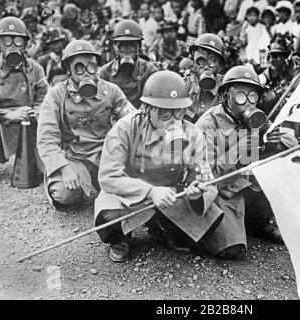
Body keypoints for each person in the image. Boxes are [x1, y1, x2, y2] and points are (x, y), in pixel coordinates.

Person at [94, 70, 223, 262]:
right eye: (163, 112)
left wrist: (196, 192)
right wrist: (150, 191)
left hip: (172, 195)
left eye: (178, 111)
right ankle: (121, 238)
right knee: (108, 220)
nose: (172, 118)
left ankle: (161, 226)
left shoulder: (193, 134)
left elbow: (203, 177)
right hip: (131, 195)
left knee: (205, 229)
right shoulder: (125, 128)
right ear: (148, 108)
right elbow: (108, 176)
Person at [195, 65, 298, 259]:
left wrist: (275, 144)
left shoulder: (257, 119)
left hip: (249, 187)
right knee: (231, 251)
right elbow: (206, 178)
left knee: (280, 167)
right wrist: (239, 151)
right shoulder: (206, 125)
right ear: (225, 96)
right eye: (241, 97)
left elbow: (292, 145)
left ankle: (258, 222)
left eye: (253, 97)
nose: (248, 103)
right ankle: (196, 235)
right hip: (224, 192)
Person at [36, 39, 135, 207]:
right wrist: (64, 168)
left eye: (91, 66)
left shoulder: (111, 90)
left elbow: (133, 122)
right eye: (79, 67)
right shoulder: (56, 95)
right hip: (75, 156)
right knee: (64, 194)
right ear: (68, 69)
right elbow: (46, 139)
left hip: (107, 153)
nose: (87, 73)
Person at [0, 16, 48, 183]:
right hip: (1, 123)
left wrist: (34, 112)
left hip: (29, 122)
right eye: (7, 41)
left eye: (17, 41)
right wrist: (6, 114)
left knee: (39, 171)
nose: (12, 46)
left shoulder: (35, 68)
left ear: (24, 44)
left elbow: (45, 97)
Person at [99, 19, 157, 109]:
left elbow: (153, 102)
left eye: (132, 47)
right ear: (115, 47)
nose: (127, 52)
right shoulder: (105, 72)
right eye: (122, 47)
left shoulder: (149, 70)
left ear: (139, 47)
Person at [184, 33, 225, 123]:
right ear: (193, 63)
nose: (206, 66)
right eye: (201, 60)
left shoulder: (226, 87)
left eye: (212, 61)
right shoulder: (183, 86)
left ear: (220, 65)